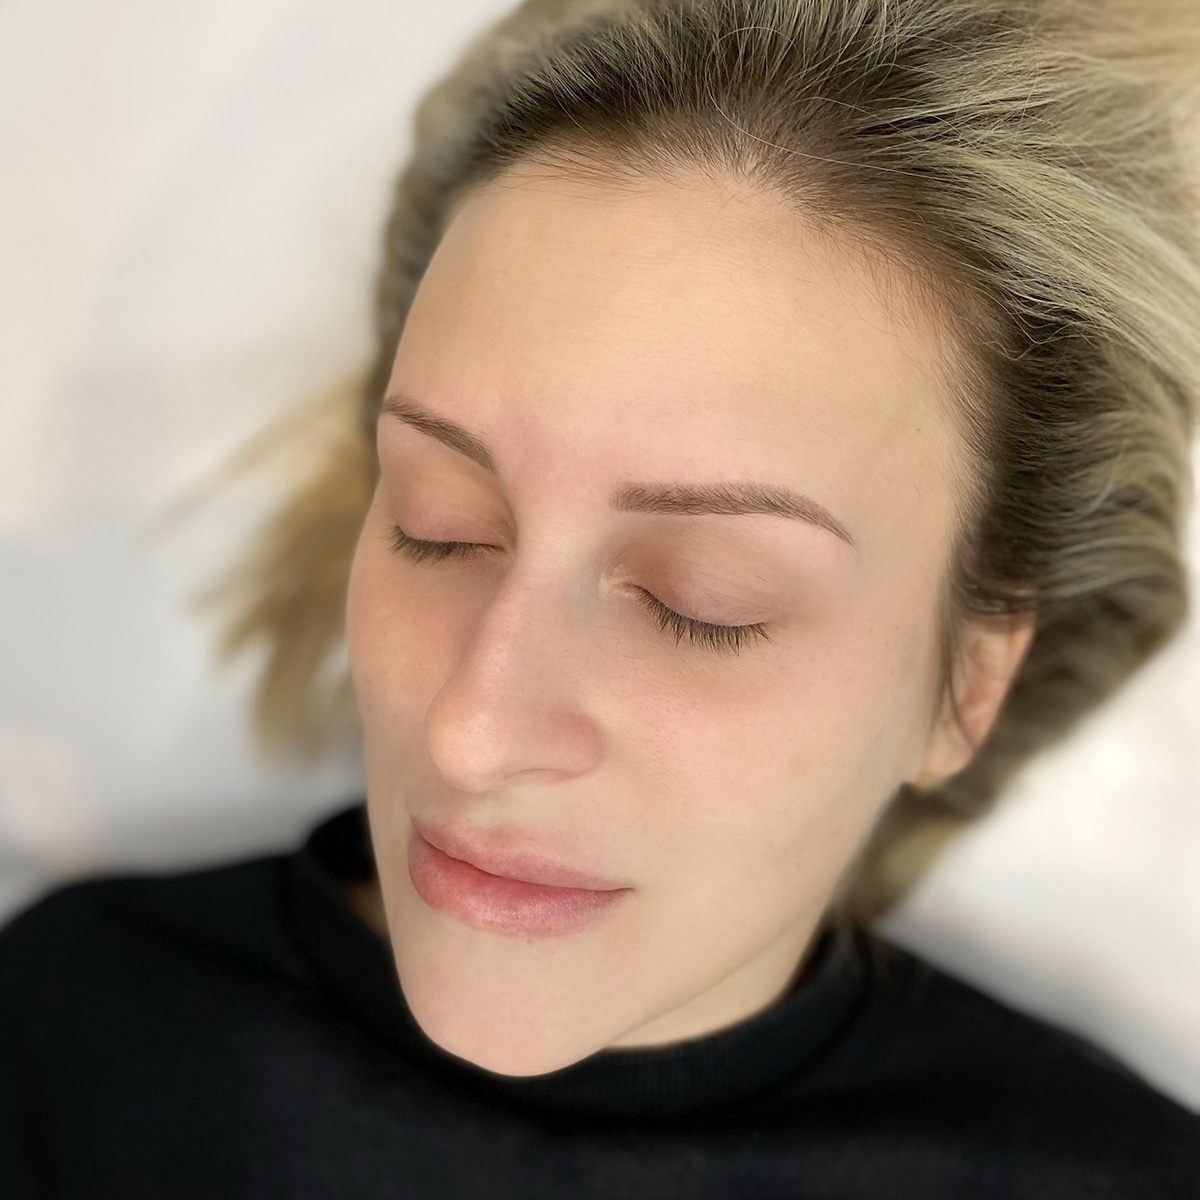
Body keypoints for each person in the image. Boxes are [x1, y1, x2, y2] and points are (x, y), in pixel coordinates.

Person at [2, 0, 1198, 1195]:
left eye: (702, 603)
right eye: (439, 525)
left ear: (967, 685)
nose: (472, 732)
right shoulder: (70, 1034)